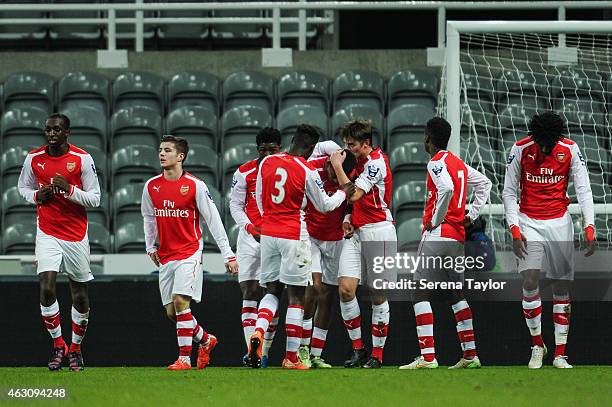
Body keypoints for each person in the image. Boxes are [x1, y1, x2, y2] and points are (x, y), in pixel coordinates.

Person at [249, 124, 353, 370]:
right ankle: (291, 358)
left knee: (271, 292)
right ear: (309, 147)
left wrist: (269, 223)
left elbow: (260, 197)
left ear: (293, 139)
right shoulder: (306, 170)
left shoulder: (266, 163)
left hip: (269, 234)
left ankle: (259, 330)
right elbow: (326, 205)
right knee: (296, 298)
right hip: (294, 235)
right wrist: (342, 192)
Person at [502, 111, 595, 369]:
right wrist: (514, 228)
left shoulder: (570, 149)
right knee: (530, 278)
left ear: (557, 138)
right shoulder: (520, 149)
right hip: (529, 221)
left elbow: (584, 188)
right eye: (541, 143)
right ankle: (536, 345)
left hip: (560, 224)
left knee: (561, 288)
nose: (544, 148)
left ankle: (560, 353)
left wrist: (589, 226)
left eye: (548, 144)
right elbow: (509, 191)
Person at [399, 117, 491, 370]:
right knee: (455, 293)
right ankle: (470, 355)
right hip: (457, 237)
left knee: (419, 290)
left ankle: (428, 357)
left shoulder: (436, 163)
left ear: (428, 137)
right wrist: (470, 215)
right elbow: (485, 184)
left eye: (424, 135)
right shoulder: (458, 164)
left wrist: (435, 221)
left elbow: (447, 189)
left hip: (438, 234)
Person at [141, 135, 238, 371]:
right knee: (173, 313)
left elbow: (214, 221)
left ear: (180, 156)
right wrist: (150, 245)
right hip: (166, 256)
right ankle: (205, 340)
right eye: (160, 150)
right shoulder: (151, 186)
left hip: (189, 253)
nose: (162, 154)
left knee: (180, 301)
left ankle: (184, 358)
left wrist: (228, 254)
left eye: (167, 150)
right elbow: (148, 217)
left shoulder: (196, 186)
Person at [18, 113, 101, 371]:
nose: (51, 133)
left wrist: (69, 189)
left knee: (79, 294)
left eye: (57, 130)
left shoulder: (82, 159)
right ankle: (58, 345)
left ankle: (75, 349)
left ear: (67, 132)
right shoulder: (34, 158)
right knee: (47, 287)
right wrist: (36, 196)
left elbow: (95, 199)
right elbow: (22, 188)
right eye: (48, 130)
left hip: (76, 234)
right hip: (47, 231)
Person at [330, 119, 395, 369]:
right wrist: (348, 217)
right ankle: (358, 349)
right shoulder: (360, 161)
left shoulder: (376, 163)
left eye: (352, 145)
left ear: (366, 144)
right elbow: (354, 202)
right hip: (356, 233)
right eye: (346, 144)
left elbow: (355, 193)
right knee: (346, 289)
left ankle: (377, 355)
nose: (348, 149)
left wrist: (337, 166)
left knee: (378, 296)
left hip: (379, 232)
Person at [298, 150, 358, 368]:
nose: (336, 176)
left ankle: (315, 355)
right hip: (311, 236)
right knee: (313, 288)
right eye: (334, 169)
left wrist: (349, 218)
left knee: (327, 297)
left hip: (336, 240)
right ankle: (301, 349)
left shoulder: (349, 174)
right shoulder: (311, 169)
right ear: (329, 162)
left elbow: (355, 200)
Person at [229, 127, 282, 367]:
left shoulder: (287, 169)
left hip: (277, 237)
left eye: (272, 149)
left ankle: (265, 351)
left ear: (279, 149)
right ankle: (252, 350)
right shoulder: (244, 172)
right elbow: (235, 205)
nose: (268, 154)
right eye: (263, 150)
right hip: (250, 237)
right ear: (257, 150)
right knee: (249, 291)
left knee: (271, 291)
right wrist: (250, 228)